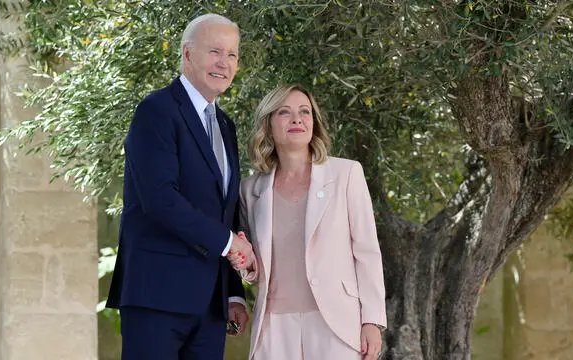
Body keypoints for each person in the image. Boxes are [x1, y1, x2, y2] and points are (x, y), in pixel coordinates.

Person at [106, 13, 255, 360]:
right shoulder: (156, 110)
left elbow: (224, 212)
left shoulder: (225, 125)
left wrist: (233, 293)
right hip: (157, 294)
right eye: (214, 52)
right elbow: (159, 199)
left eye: (232, 55)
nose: (224, 63)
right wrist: (231, 243)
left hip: (211, 306)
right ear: (187, 55)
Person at [232, 84, 387, 360]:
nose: (297, 119)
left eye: (305, 111)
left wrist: (372, 321)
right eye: (284, 112)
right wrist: (246, 265)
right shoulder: (250, 190)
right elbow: (254, 267)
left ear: (314, 124)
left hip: (335, 325)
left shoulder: (346, 174)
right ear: (268, 125)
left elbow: (367, 253)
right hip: (273, 327)